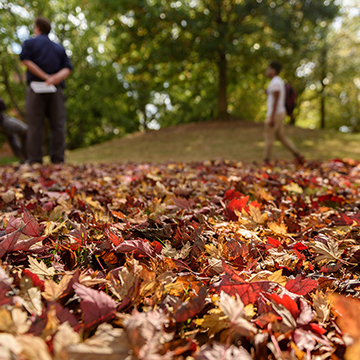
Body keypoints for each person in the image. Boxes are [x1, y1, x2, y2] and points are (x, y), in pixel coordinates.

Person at [20, 16, 72, 164]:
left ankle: (35, 160)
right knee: (58, 125)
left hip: (37, 88)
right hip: (55, 88)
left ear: (37, 28)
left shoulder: (29, 43)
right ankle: (58, 160)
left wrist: (45, 77)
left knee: (35, 125)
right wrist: (54, 78)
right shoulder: (58, 47)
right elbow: (67, 68)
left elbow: (26, 60)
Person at [263, 61, 303, 164]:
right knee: (280, 136)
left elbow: (276, 100)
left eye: (268, 69)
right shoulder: (277, 81)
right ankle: (296, 154)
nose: (267, 71)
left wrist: (271, 117)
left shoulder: (276, 82)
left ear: (273, 70)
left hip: (275, 113)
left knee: (269, 136)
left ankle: (266, 160)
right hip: (279, 112)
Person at [0, 98, 27, 162]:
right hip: (3, 122)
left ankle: (23, 157)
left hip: (3, 120)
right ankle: (23, 157)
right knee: (25, 130)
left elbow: (3, 106)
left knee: (14, 135)